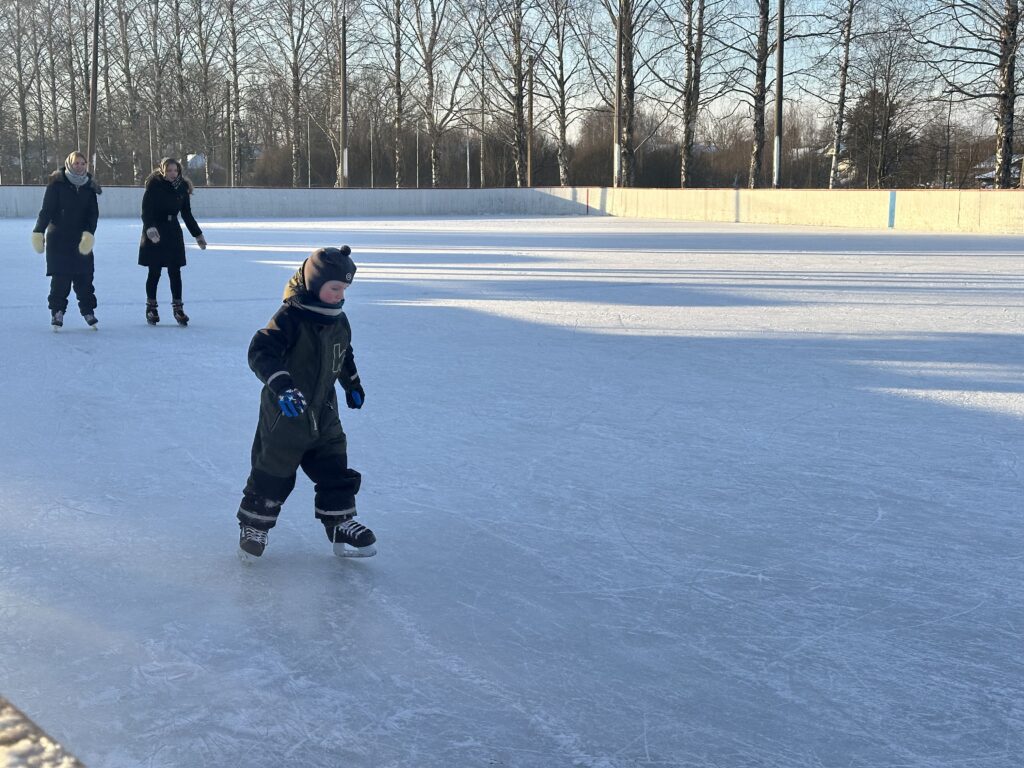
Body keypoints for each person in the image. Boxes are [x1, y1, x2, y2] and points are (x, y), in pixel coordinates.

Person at [237, 245, 375, 560]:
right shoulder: (291, 317)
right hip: (286, 413)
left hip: (324, 412)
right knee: (273, 470)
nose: (340, 295)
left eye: (344, 288)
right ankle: (254, 525)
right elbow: (260, 351)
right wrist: (282, 386)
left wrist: (352, 383)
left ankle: (340, 522)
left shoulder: (339, 320)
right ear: (315, 283)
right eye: (334, 287)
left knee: (334, 465)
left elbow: (344, 352)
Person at [31, 151, 101, 330]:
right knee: (61, 278)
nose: (79, 166)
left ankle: (88, 311)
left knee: (84, 277)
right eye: (76, 163)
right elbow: (46, 211)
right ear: (69, 164)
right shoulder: (57, 185)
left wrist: (89, 233)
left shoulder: (89, 187)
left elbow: (92, 214)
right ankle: (57, 311)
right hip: (59, 238)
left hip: (81, 239)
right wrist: (38, 231)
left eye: (82, 163)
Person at [138, 157, 207, 326]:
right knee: (154, 271)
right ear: (163, 170)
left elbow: (187, 214)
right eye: (169, 170)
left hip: (173, 232)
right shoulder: (154, 185)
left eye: (175, 170)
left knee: (175, 272)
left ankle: (178, 308)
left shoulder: (182, 187)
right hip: (155, 232)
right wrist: (150, 228)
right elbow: (146, 211)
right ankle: (151, 308)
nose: (172, 173)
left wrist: (197, 234)